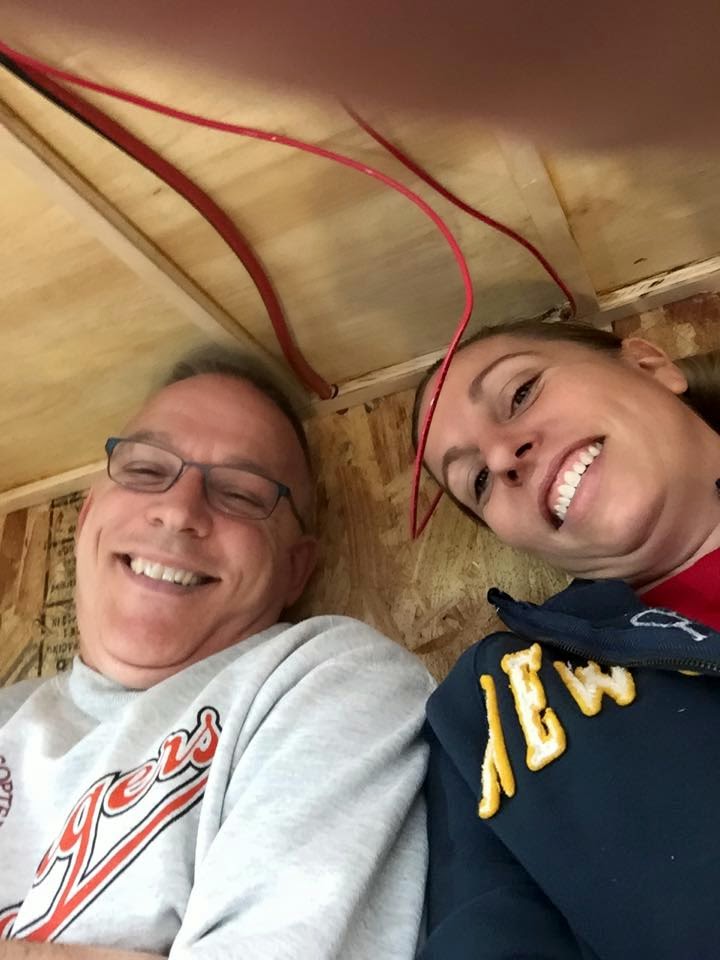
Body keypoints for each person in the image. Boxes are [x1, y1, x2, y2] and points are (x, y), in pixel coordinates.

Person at [0, 348, 435, 960]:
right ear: (87, 515)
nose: (179, 510)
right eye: (146, 469)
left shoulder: (326, 679)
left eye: (240, 493)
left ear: (295, 569)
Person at [412, 317, 720, 959]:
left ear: (649, 365)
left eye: (521, 393)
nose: (502, 458)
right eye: (477, 481)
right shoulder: (495, 709)